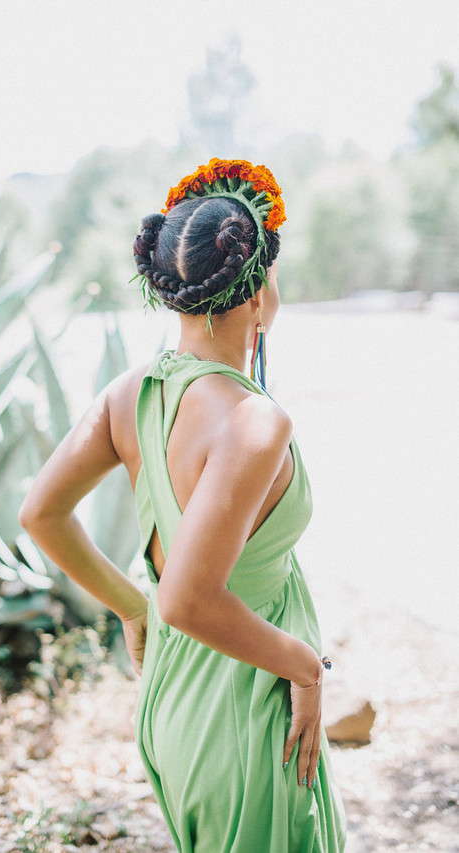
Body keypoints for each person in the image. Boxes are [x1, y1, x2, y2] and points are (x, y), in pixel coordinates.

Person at [19, 158, 346, 852]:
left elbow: (40, 514)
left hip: (173, 705)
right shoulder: (253, 422)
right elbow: (190, 600)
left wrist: (131, 607)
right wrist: (306, 669)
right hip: (247, 716)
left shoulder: (126, 395)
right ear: (257, 290)